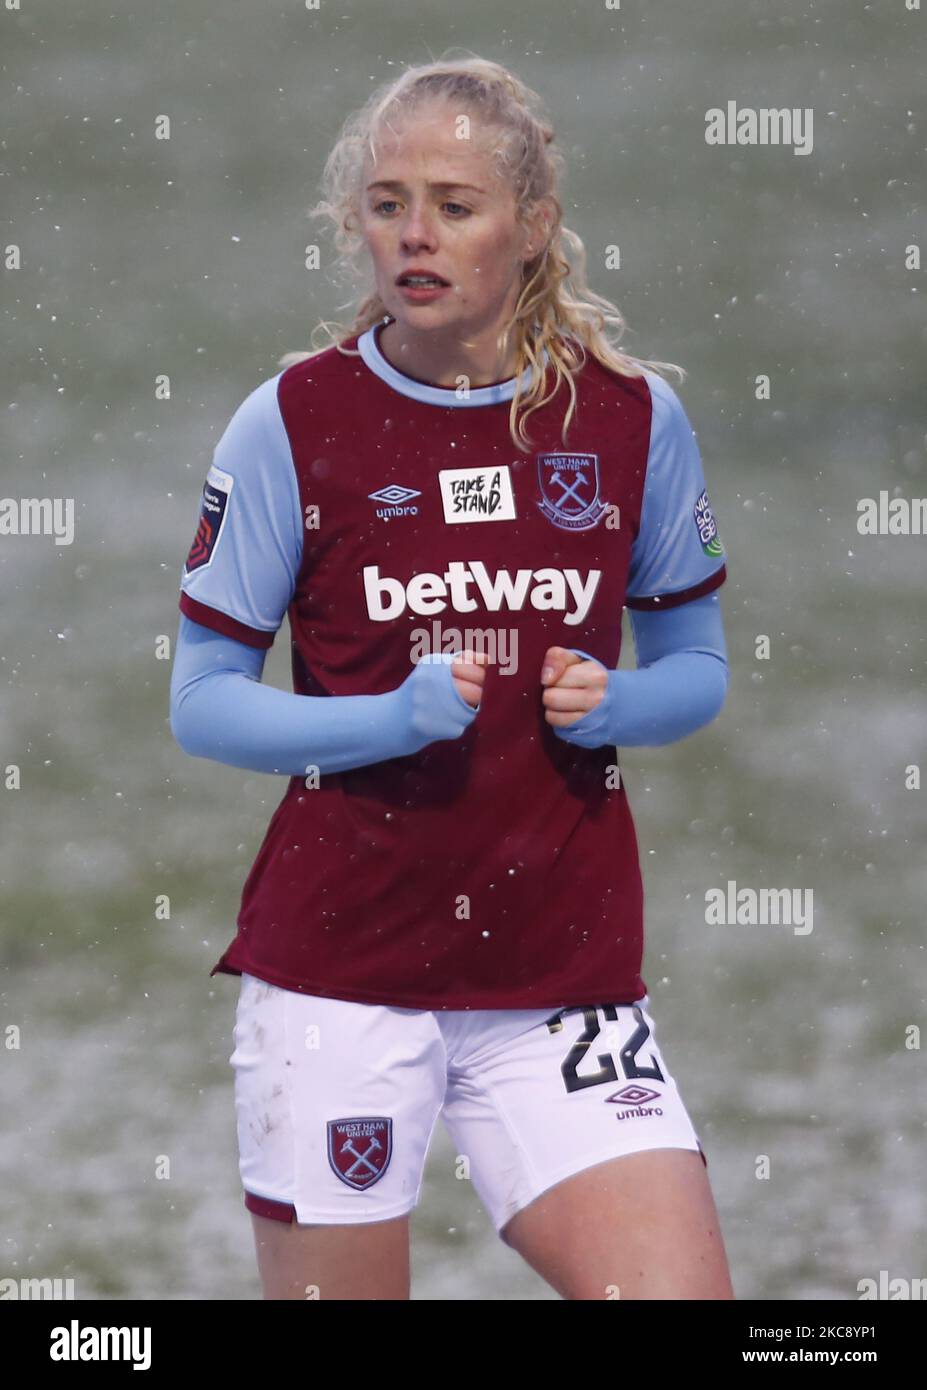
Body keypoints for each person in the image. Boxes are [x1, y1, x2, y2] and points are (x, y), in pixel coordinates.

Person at [169, 54, 734, 1301]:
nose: (414, 235)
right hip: (340, 985)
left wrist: (624, 699)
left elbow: (698, 667)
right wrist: (384, 719)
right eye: (386, 203)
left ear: (532, 227)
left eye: (455, 204)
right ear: (353, 223)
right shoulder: (293, 422)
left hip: (561, 976)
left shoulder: (633, 418)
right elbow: (200, 697)